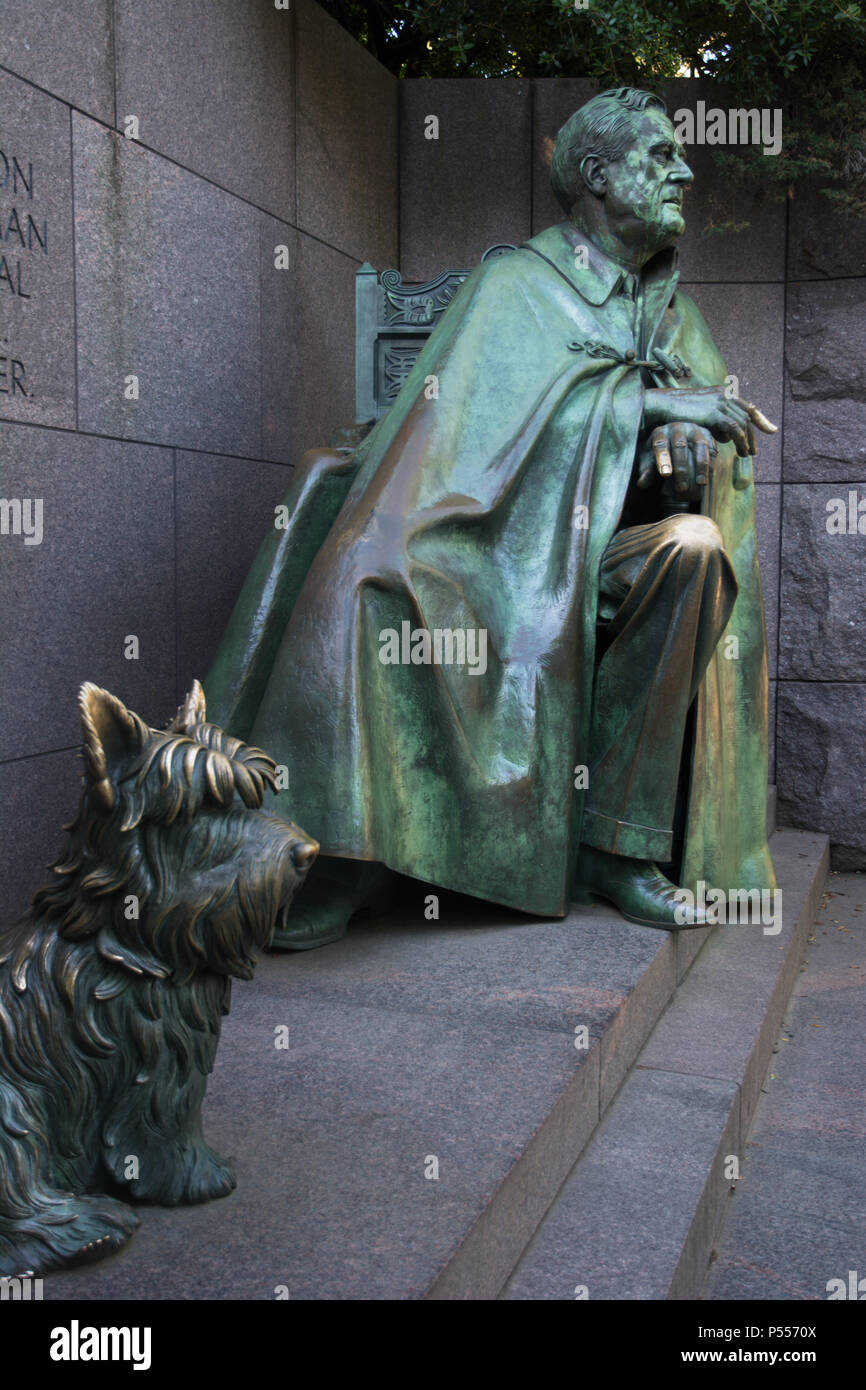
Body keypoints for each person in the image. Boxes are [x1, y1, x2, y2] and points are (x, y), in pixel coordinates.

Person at [206, 86, 776, 949]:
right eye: (660, 155)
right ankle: (346, 848)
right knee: (369, 573)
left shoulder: (676, 316)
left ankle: (617, 848)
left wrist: (685, 465)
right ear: (595, 174)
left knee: (694, 550)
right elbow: (446, 449)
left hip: (603, 563)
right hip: (489, 551)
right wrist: (649, 410)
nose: (684, 170)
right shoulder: (517, 282)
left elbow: (718, 451)